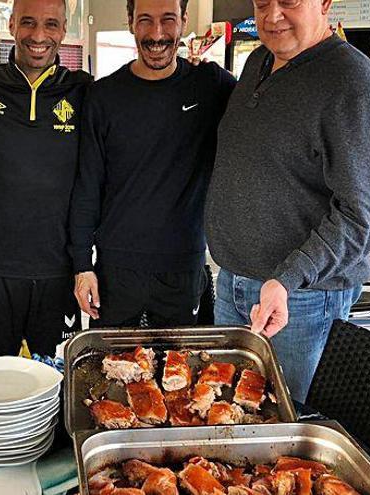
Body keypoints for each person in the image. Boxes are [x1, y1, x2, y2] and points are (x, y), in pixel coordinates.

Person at [204, 0, 370, 402]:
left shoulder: (352, 84)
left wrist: (288, 278)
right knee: (226, 415)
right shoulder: (258, 61)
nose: (272, 16)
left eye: (289, 1)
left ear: (324, 3)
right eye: (261, 3)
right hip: (232, 284)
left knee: (286, 428)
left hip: (301, 299)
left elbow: (360, 217)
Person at [69, 0, 235, 329]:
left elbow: (266, 108)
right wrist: (81, 265)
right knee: (109, 373)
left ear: (184, 21)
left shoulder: (211, 86)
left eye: (168, 20)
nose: (157, 34)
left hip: (183, 267)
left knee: (180, 375)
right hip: (114, 269)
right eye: (145, 20)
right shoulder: (103, 96)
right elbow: (87, 186)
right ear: (130, 22)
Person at [0, 0, 92, 362]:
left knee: (52, 387)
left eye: (51, 24)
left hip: (57, 273)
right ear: (12, 23)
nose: (38, 35)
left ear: (63, 30)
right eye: (28, 22)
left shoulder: (85, 91)